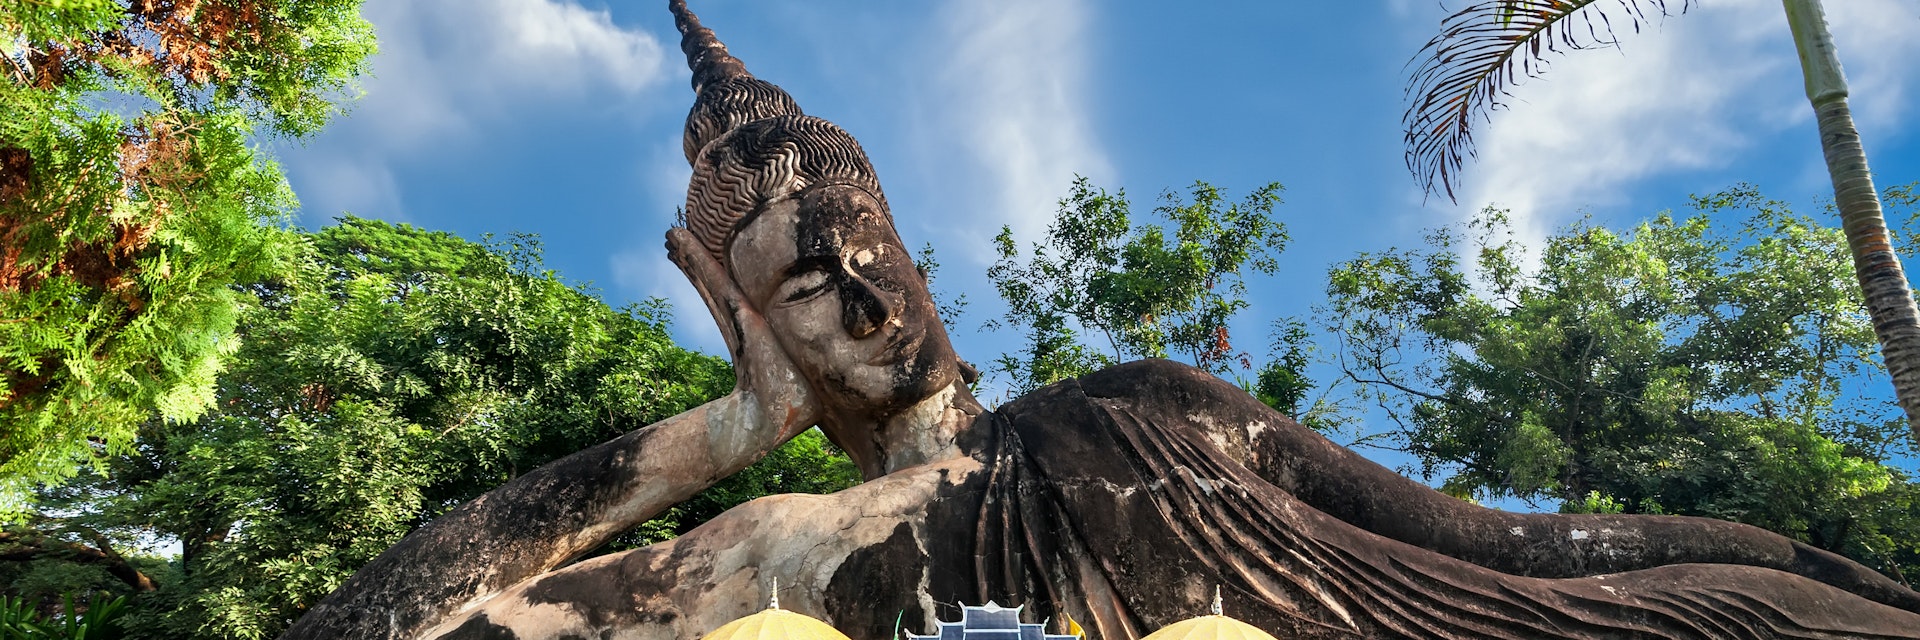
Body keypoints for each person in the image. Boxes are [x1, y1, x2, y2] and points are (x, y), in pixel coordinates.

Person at [289, 3, 1920, 639]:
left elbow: (1521, 544)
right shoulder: (782, 541)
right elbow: (384, 634)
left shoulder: (1132, 410)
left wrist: (1803, 562)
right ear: (748, 310)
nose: (864, 304)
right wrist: (728, 427)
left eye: (872, 260)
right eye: (805, 287)